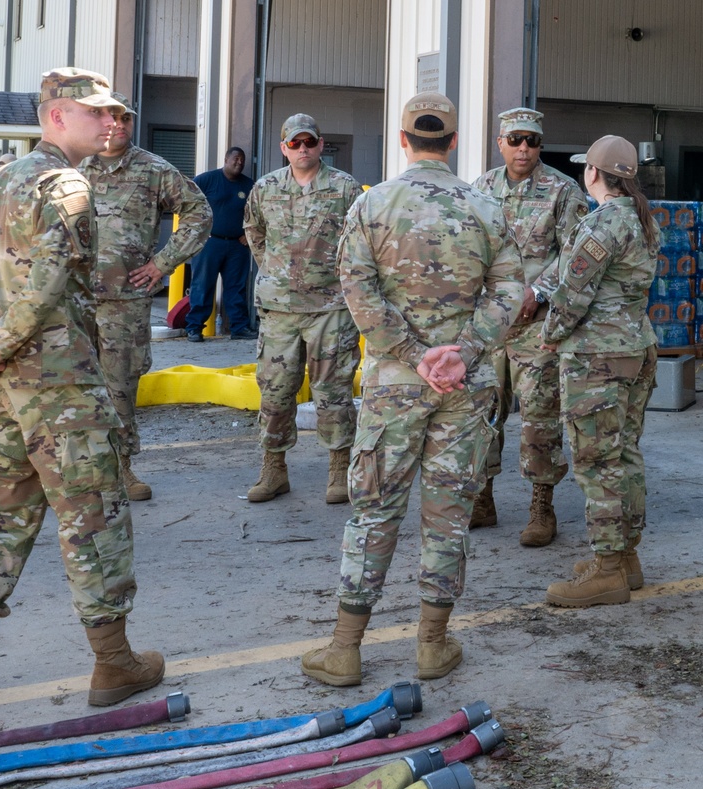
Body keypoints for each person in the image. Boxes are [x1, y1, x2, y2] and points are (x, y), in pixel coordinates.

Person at [0, 67, 165, 712]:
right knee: (93, 520)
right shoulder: (65, 184)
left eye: (117, 115)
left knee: (4, 516)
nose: (112, 124)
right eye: (99, 113)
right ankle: (114, 663)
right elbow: (46, 289)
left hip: (3, 387)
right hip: (57, 385)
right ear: (59, 114)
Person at [301, 93, 524, 687]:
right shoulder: (487, 207)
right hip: (466, 385)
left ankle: (345, 650)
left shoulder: (371, 205)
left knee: (374, 511)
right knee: (449, 513)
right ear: (452, 141)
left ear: (403, 139)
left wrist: (410, 353)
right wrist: (465, 352)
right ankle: (432, 645)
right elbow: (511, 295)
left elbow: (357, 291)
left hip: (394, 386)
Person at [543, 135, 660, 608]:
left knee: (597, 461)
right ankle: (626, 558)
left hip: (598, 358)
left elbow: (571, 297)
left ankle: (608, 570)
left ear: (593, 173)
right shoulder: (642, 220)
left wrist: (549, 335)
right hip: (636, 347)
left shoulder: (601, 226)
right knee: (625, 454)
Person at [79, 93, 212, 501]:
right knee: (72, 386)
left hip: (124, 302)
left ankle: (120, 469)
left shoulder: (154, 170)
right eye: (109, 117)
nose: (117, 125)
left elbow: (198, 213)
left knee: (119, 387)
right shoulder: (71, 168)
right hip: (71, 300)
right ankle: (75, 473)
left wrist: (163, 263)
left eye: (125, 118)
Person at [471, 108, 588, 545]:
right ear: (500, 142)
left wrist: (535, 292)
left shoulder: (562, 190)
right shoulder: (481, 188)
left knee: (539, 415)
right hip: (488, 325)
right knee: (481, 411)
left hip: (537, 325)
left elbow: (576, 254)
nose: (524, 148)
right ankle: (482, 498)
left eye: (532, 141)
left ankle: (542, 506)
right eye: (516, 139)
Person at [243, 114, 363, 505]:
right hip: (279, 310)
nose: (303, 149)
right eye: (294, 144)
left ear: (320, 143)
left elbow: (360, 241)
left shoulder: (344, 187)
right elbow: (254, 232)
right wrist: (275, 271)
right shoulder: (265, 188)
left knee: (334, 394)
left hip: (330, 308)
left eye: (309, 142)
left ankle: (338, 469)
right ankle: (274, 468)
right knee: (275, 393)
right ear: (284, 148)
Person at [185, 147, 256, 342]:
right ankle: (194, 328)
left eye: (242, 160)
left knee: (236, 288)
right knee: (202, 285)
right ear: (226, 159)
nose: (239, 162)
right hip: (209, 243)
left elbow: (259, 213)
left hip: (237, 246)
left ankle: (239, 328)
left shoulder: (249, 185)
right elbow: (185, 202)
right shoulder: (206, 180)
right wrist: (196, 230)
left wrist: (248, 234)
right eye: (235, 159)